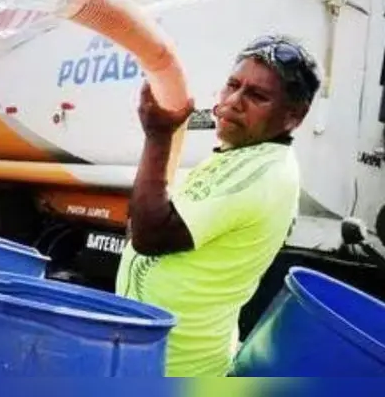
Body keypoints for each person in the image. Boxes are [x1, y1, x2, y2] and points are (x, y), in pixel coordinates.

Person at [115, 34, 321, 377]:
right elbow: (146, 220)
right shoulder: (238, 154)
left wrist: (158, 136)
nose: (235, 101)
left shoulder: (262, 172)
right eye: (233, 85)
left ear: (294, 116)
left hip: (174, 368)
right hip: (146, 356)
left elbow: (149, 235)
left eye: (257, 96)